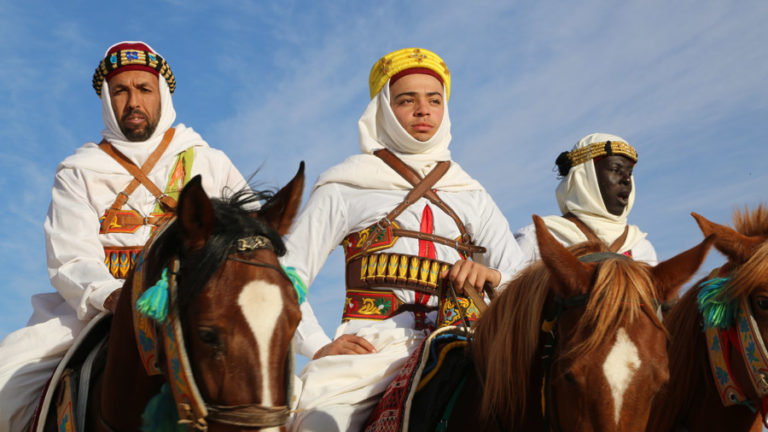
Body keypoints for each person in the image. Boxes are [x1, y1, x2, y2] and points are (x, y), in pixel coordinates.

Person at [0, 41, 248, 430]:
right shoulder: (79, 171)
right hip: (100, 308)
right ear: (107, 100)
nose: (133, 101)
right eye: (121, 91)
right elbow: (70, 258)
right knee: (5, 387)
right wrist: (113, 296)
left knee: (284, 398)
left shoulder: (208, 162)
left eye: (144, 89)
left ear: (161, 96)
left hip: (197, 304)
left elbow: (252, 245)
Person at [282, 47, 525, 431]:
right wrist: (316, 344)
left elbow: (523, 274)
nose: (423, 110)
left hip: (464, 341)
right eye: (406, 100)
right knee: (319, 426)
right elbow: (283, 276)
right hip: (372, 351)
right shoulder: (346, 185)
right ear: (383, 108)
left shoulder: (471, 193)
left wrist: (492, 277)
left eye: (434, 99)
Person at [514, 132, 658, 265]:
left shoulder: (641, 249)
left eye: (629, 172)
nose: (627, 179)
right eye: (615, 170)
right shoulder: (536, 240)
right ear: (585, 176)